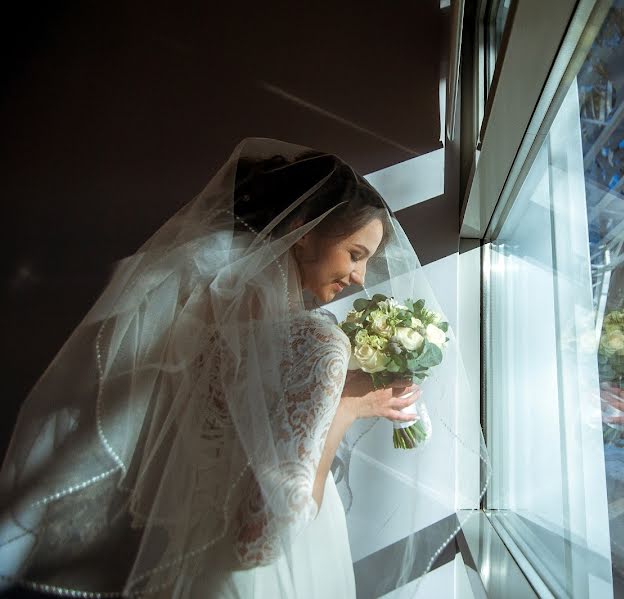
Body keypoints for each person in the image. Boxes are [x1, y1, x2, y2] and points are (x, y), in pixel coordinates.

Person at [0, 138, 488, 598]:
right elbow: (262, 539)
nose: (359, 277)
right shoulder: (318, 341)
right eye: (355, 254)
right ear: (303, 231)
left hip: (187, 564)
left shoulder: (201, 326)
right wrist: (349, 407)